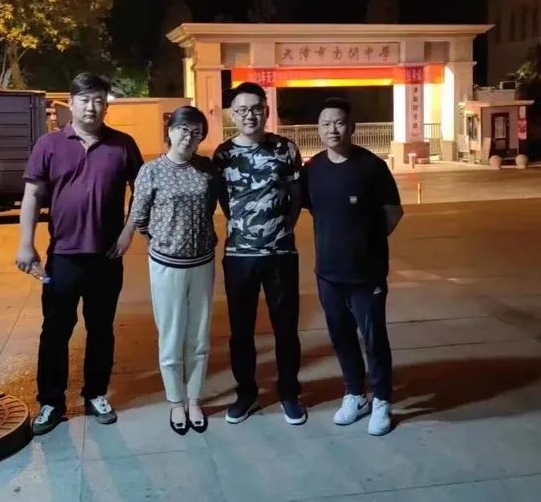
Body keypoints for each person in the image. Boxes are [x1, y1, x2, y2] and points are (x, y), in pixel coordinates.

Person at [16, 72, 143, 435]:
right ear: (70, 103)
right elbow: (32, 195)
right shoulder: (49, 145)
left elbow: (142, 191)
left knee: (101, 328)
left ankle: (96, 394)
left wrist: (128, 233)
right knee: (55, 330)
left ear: (106, 106)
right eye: (85, 100)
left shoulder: (123, 145)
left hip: (106, 258)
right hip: (63, 256)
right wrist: (26, 243)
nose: (92, 107)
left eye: (99, 100)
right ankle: (51, 401)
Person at [115, 106, 220, 435]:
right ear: (170, 131)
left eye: (196, 132)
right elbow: (140, 215)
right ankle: (175, 401)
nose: (188, 137)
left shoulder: (207, 169)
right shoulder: (151, 171)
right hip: (166, 264)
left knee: (199, 335)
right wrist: (163, 241)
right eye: (183, 129)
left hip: (202, 261)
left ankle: (194, 399)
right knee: (172, 334)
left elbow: (210, 207)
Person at [302, 97, 403, 436]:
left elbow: (393, 212)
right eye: (326, 123)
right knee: (341, 336)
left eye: (339, 122)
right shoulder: (313, 169)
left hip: (366, 273)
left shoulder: (371, 166)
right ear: (318, 129)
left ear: (352, 126)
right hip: (328, 273)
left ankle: (382, 399)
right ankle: (354, 394)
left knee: (374, 338)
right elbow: (312, 209)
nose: (332, 129)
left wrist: (366, 241)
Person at [213, 82, 306, 426]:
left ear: (266, 111)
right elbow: (225, 201)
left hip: (281, 253)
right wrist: (246, 229)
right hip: (240, 256)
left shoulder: (286, 149)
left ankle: (289, 393)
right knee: (241, 331)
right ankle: (246, 393)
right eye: (242, 110)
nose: (249, 115)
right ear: (232, 115)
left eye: (256, 108)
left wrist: (281, 229)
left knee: (286, 327)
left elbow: (296, 197)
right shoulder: (223, 154)